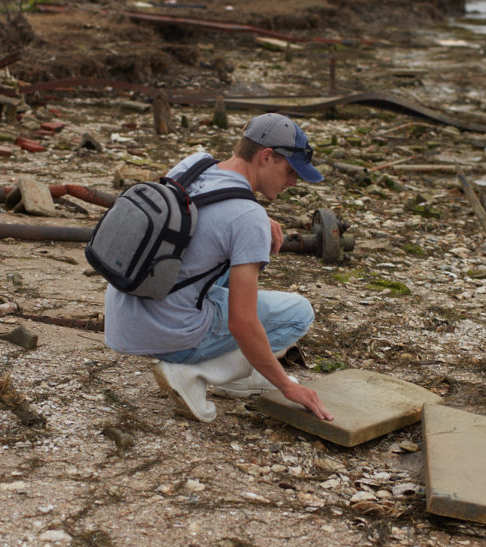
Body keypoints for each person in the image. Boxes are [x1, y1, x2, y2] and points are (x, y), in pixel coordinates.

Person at [103, 113, 333, 423]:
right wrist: (287, 388)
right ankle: (193, 371)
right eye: (291, 171)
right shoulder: (246, 217)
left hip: (122, 312)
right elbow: (243, 323)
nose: (293, 182)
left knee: (223, 257)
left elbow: (190, 218)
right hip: (163, 332)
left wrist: (258, 222)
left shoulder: (196, 164)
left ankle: (235, 377)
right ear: (266, 157)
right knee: (299, 313)